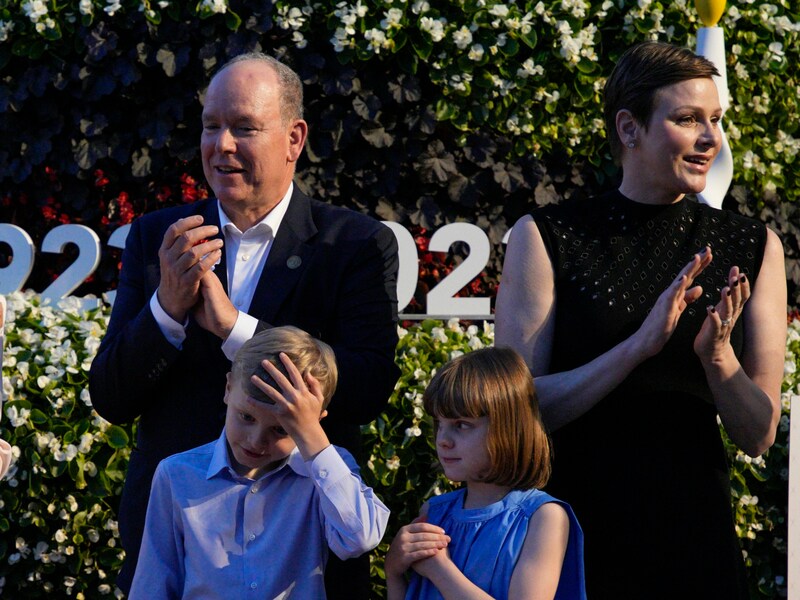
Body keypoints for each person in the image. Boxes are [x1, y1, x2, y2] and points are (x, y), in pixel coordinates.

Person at [88, 52, 400, 595]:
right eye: (212, 126)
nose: (222, 145)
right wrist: (166, 309)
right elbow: (111, 397)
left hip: (307, 564)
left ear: (294, 139)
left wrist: (237, 329)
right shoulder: (160, 237)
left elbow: (369, 386)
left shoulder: (354, 245)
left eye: (245, 128)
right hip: (176, 559)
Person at [495, 41, 786, 599]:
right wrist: (636, 348)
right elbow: (515, 408)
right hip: (568, 537)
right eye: (687, 119)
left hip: (694, 541)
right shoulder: (550, 236)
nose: (710, 139)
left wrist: (717, 358)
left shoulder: (751, 246)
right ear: (629, 129)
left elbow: (758, 433)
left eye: (715, 121)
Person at [128, 326, 390, 599]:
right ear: (229, 388)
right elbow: (154, 583)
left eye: (280, 430)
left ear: (315, 421)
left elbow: (360, 537)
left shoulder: (325, 473)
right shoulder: (177, 474)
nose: (255, 441)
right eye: (246, 417)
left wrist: (311, 437)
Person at [385, 347, 586, 600]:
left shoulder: (544, 518)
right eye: (439, 424)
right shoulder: (434, 512)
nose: (443, 440)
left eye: (461, 425)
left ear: (507, 428)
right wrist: (393, 571)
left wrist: (440, 569)